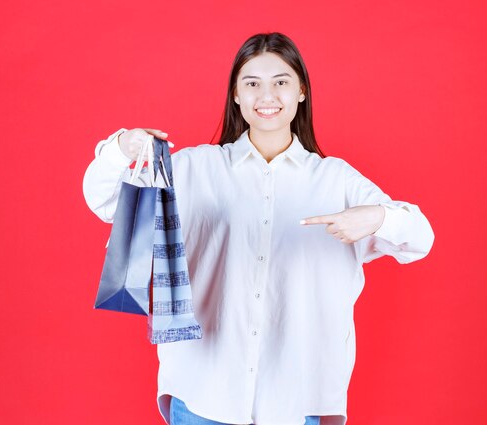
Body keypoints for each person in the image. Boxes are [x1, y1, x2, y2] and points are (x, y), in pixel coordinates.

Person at [83, 32, 435, 425]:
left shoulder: (336, 180)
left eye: (281, 82)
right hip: (203, 390)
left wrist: (379, 217)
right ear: (236, 94)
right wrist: (120, 149)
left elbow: (420, 238)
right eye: (252, 84)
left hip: (298, 398)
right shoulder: (194, 169)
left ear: (301, 91)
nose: (267, 96)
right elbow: (106, 203)